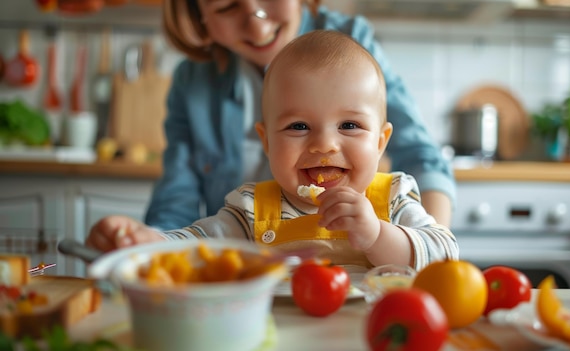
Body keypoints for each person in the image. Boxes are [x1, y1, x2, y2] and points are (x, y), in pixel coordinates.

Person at [87, 30, 459, 270]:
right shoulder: (250, 210)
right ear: (266, 141)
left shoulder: (393, 199)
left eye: (349, 126)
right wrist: (149, 242)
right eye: (298, 126)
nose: (325, 145)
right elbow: (198, 245)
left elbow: (445, 255)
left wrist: (379, 236)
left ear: (380, 142)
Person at [145, 0, 456, 230]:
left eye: (348, 125)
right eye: (227, 6)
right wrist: (149, 245)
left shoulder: (353, 42)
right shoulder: (192, 81)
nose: (258, 24)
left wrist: (425, 243)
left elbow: (420, 155)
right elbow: (176, 198)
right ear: (197, 15)